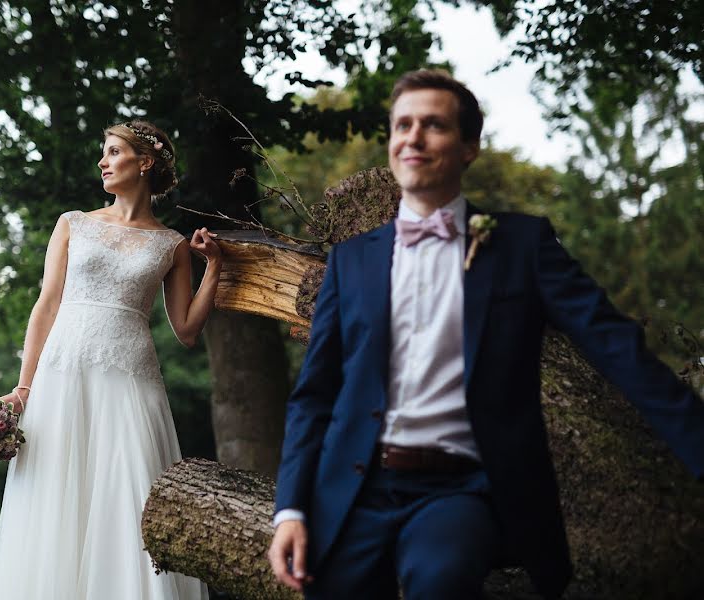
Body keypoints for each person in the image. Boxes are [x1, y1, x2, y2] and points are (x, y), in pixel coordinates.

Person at [268, 69, 704, 600]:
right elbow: (313, 397)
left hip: (461, 489)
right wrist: (289, 508)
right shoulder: (350, 260)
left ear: (469, 146)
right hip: (352, 489)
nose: (413, 137)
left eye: (434, 125)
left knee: (442, 577)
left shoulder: (523, 246)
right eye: (402, 125)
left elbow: (617, 349)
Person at [0, 120, 217, 600]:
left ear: (144, 162)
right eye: (103, 153)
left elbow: (187, 330)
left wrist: (214, 265)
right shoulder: (73, 223)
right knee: (54, 503)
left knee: (130, 501)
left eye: (113, 152)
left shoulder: (171, 244)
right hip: (63, 374)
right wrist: (24, 387)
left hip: (132, 379)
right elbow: (47, 304)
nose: (103, 161)